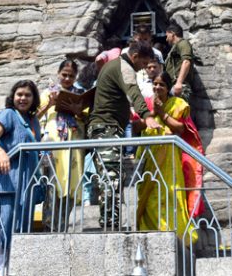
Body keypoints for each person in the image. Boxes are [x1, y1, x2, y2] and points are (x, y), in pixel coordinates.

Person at [87, 40, 161, 228]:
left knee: (115, 177)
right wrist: (146, 115)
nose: (144, 69)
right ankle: (110, 225)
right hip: (105, 129)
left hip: (108, 128)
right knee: (111, 178)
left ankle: (112, 223)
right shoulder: (123, 66)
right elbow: (134, 92)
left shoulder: (113, 66)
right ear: (135, 57)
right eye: (144, 63)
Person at [135, 72, 204, 244]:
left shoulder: (178, 104)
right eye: (155, 84)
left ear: (168, 87)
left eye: (162, 85)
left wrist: (162, 114)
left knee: (171, 194)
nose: (158, 87)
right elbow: (135, 125)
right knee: (150, 197)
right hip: (150, 158)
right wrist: (150, 114)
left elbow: (180, 128)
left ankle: (176, 235)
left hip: (169, 160)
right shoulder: (146, 103)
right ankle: (151, 233)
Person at [0, 79, 42, 276]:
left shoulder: (34, 121)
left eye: (28, 95)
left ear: (34, 98)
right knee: (2, 229)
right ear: (13, 96)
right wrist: (0, 153)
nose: (23, 98)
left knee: (19, 231)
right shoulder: (8, 114)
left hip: (26, 185)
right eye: (19, 94)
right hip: (7, 182)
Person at [37, 60, 86, 231]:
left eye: (71, 76)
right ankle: (49, 226)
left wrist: (77, 110)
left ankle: (63, 224)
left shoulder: (80, 94)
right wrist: (50, 104)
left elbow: (86, 117)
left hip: (73, 145)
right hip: (54, 145)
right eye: (64, 75)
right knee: (53, 184)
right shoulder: (47, 93)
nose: (67, 78)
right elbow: (34, 116)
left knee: (71, 183)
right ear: (58, 73)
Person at [164, 23, 195, 101]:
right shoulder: (175, 46)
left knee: (180, 111)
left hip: (179, 86)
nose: (166, 39)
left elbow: (186, 62)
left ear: (172, 34)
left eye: (167, 36)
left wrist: (179, 82)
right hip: (173, 86)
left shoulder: (183, 43)